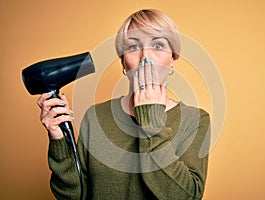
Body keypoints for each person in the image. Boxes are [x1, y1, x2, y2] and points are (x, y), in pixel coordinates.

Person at [37, 9, 210, 200]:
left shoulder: (195, 120)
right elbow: (75, 196)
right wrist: (59, 139)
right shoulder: (96, 117)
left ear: (173, 59)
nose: (146, 57)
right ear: (123, 61)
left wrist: (151, 120)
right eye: (134, 47)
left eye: (158, 45)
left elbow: (188, 196)